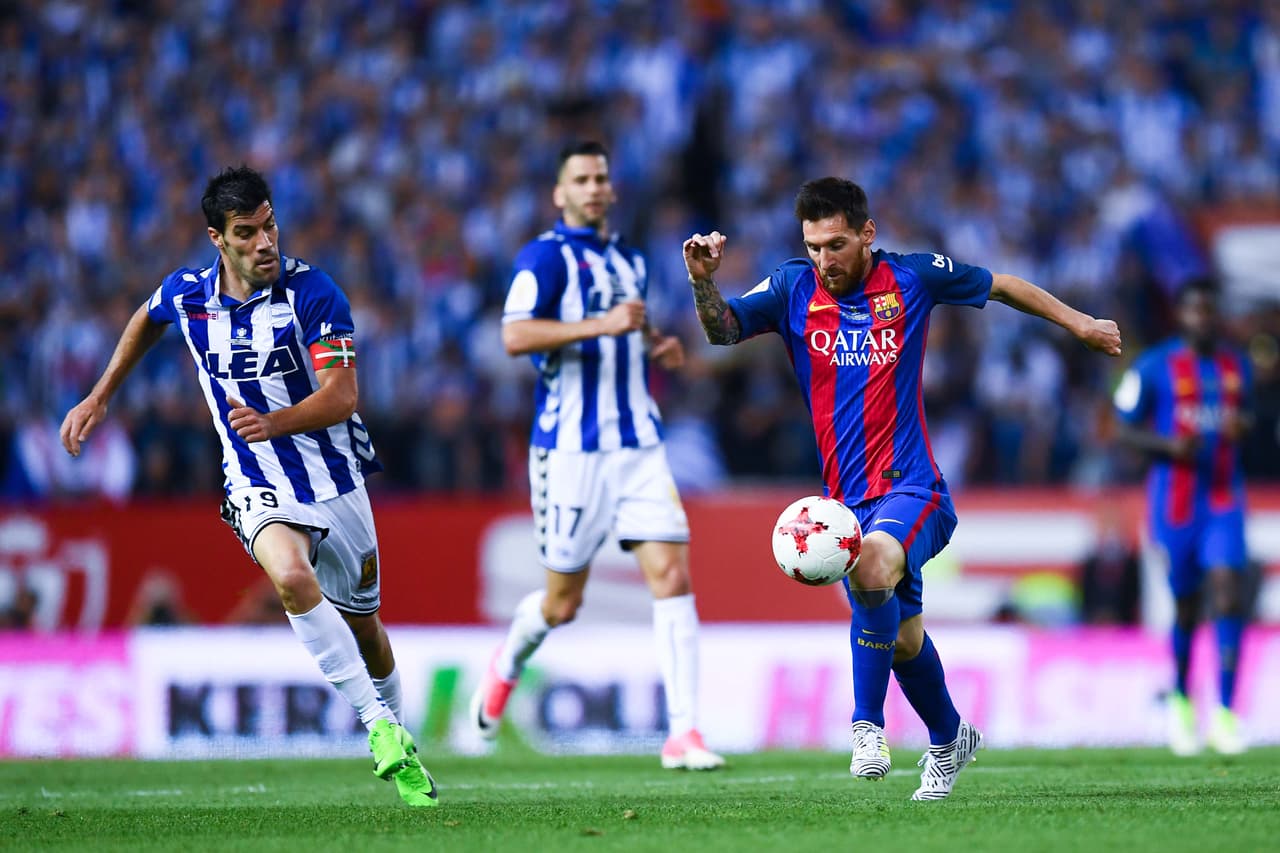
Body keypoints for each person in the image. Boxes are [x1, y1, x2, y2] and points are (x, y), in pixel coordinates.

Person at [683, 177, 1121, 800]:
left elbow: (1004, 285)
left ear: (867, 234)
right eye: (812, 246)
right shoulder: (790, 287)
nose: (823, 260)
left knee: (869, 567)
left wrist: (1080, 324)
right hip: (846, 502)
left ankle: (865, 726)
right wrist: (703, 279)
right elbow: (723, 330)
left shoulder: (913, 277)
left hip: (914, 488)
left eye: (835, 244)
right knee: (902, 635)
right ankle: (950, 737)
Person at [59, 166, 438, 807]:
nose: (265, 243)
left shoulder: (315, 295)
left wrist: (274, 421)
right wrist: (100, 396)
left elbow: (343, 395)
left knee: (366, 628)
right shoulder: (190, 294)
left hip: (337, 481)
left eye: (269, 226)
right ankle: (379, 730)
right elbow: (146, 319)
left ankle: (402, 742)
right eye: (247, 233)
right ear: (218, 238)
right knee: (290, 578)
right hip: (255, 480)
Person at [470, 141, 724, 771]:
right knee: (562, 603)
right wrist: (599, 326)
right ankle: (506, 663)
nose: (591, 186)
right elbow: (514, 334)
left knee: (672, 575)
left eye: (600, 178)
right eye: (579, 178)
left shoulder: (631, 261)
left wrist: (654, 344)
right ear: (560, 193)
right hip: (571, 451)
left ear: (611, 191)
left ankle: (684, 733)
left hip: (638, 441)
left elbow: (627, 327)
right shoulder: (543, 259)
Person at [1113, 280, 1252, 756]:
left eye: (1210, 311)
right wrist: (1170, 446)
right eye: (1195, 311)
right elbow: (1122, 428)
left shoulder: (1238, 364)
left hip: (1222, 498)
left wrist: (1243, 426)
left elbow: (1248, 416)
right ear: (1181, 315)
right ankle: (1180, 699)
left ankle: (1228, 714)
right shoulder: (1154, 366)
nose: (1204, 319)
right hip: (1174, 502)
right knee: (1187, 604)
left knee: (1229, 591)